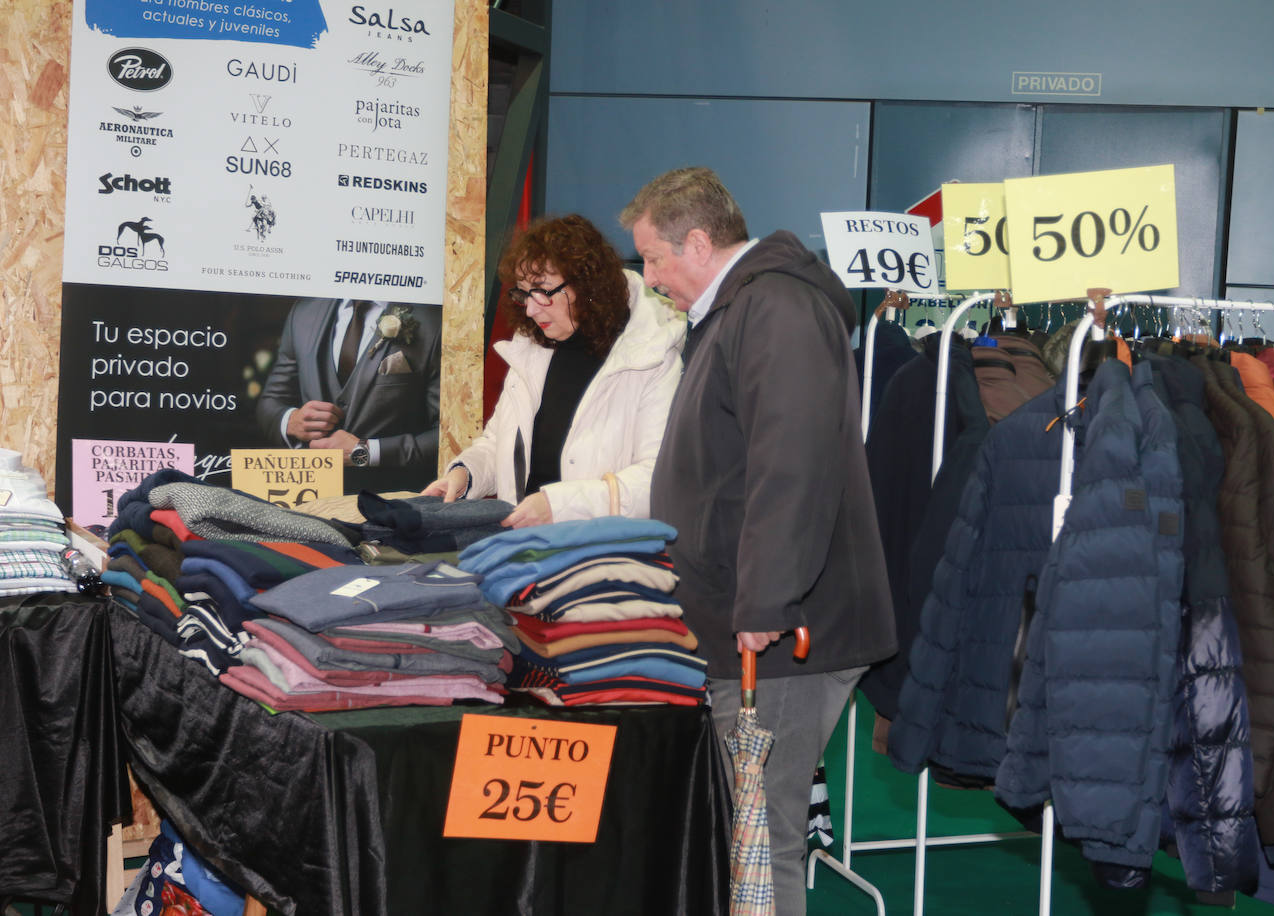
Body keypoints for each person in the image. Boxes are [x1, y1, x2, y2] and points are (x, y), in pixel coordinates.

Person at [621, 167, 896, 913]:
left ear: (700, 242)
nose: (650, 279)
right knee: (747, 833)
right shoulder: (747, 309)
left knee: (761, 838)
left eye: (653, 258)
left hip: (780, 635)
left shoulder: (773, 306)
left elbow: (793, 461)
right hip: (753, 626)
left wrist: (767, 598)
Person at [422, 213, 685, 528]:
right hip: (526, 547)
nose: (531, 309)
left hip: (600, 554)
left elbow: (657, 479)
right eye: (523, 293)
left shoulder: (653, 358)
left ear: (588, 284)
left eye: (543, 291)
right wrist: (465, 474)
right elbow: (500, 442)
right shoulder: (533, 347)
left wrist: (559, 506)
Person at [255, 297, 442, 493]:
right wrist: (291, 421)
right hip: (311, 499)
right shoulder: (304, 311)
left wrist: (366, 452)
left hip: (392, 502)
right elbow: (270, 403)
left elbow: (448, 436)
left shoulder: (433, 320)